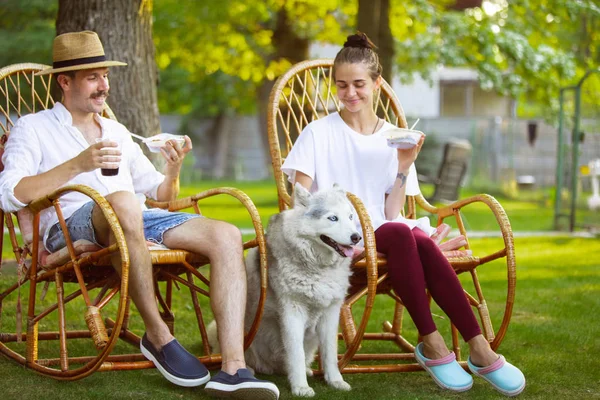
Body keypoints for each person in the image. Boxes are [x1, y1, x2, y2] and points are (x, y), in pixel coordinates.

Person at [0, 31, 279, 400]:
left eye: (105, 76)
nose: (104, 86)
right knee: (123, 202)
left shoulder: (115, 131)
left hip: (136, 217)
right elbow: (10, 193)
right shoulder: (33, 128)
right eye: (93, 77)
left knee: (225, 234)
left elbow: (160, 195)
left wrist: (173, 170)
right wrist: (77, 165)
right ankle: (158, 335)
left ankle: (233, 368)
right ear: (64, 82)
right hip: (70, 227)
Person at [281, 32, 526, 397]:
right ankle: (443, 344)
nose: (350, 94)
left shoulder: (396, 138)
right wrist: (337, 242)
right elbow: (299, 204)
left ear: (377, 84)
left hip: (382, 232)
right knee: (405, 235)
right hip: (335, 237)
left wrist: (403, 166)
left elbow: (391, 210)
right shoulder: (317, 133)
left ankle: (472, 346)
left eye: (359, 84)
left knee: (409, 236)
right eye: (342, 85)